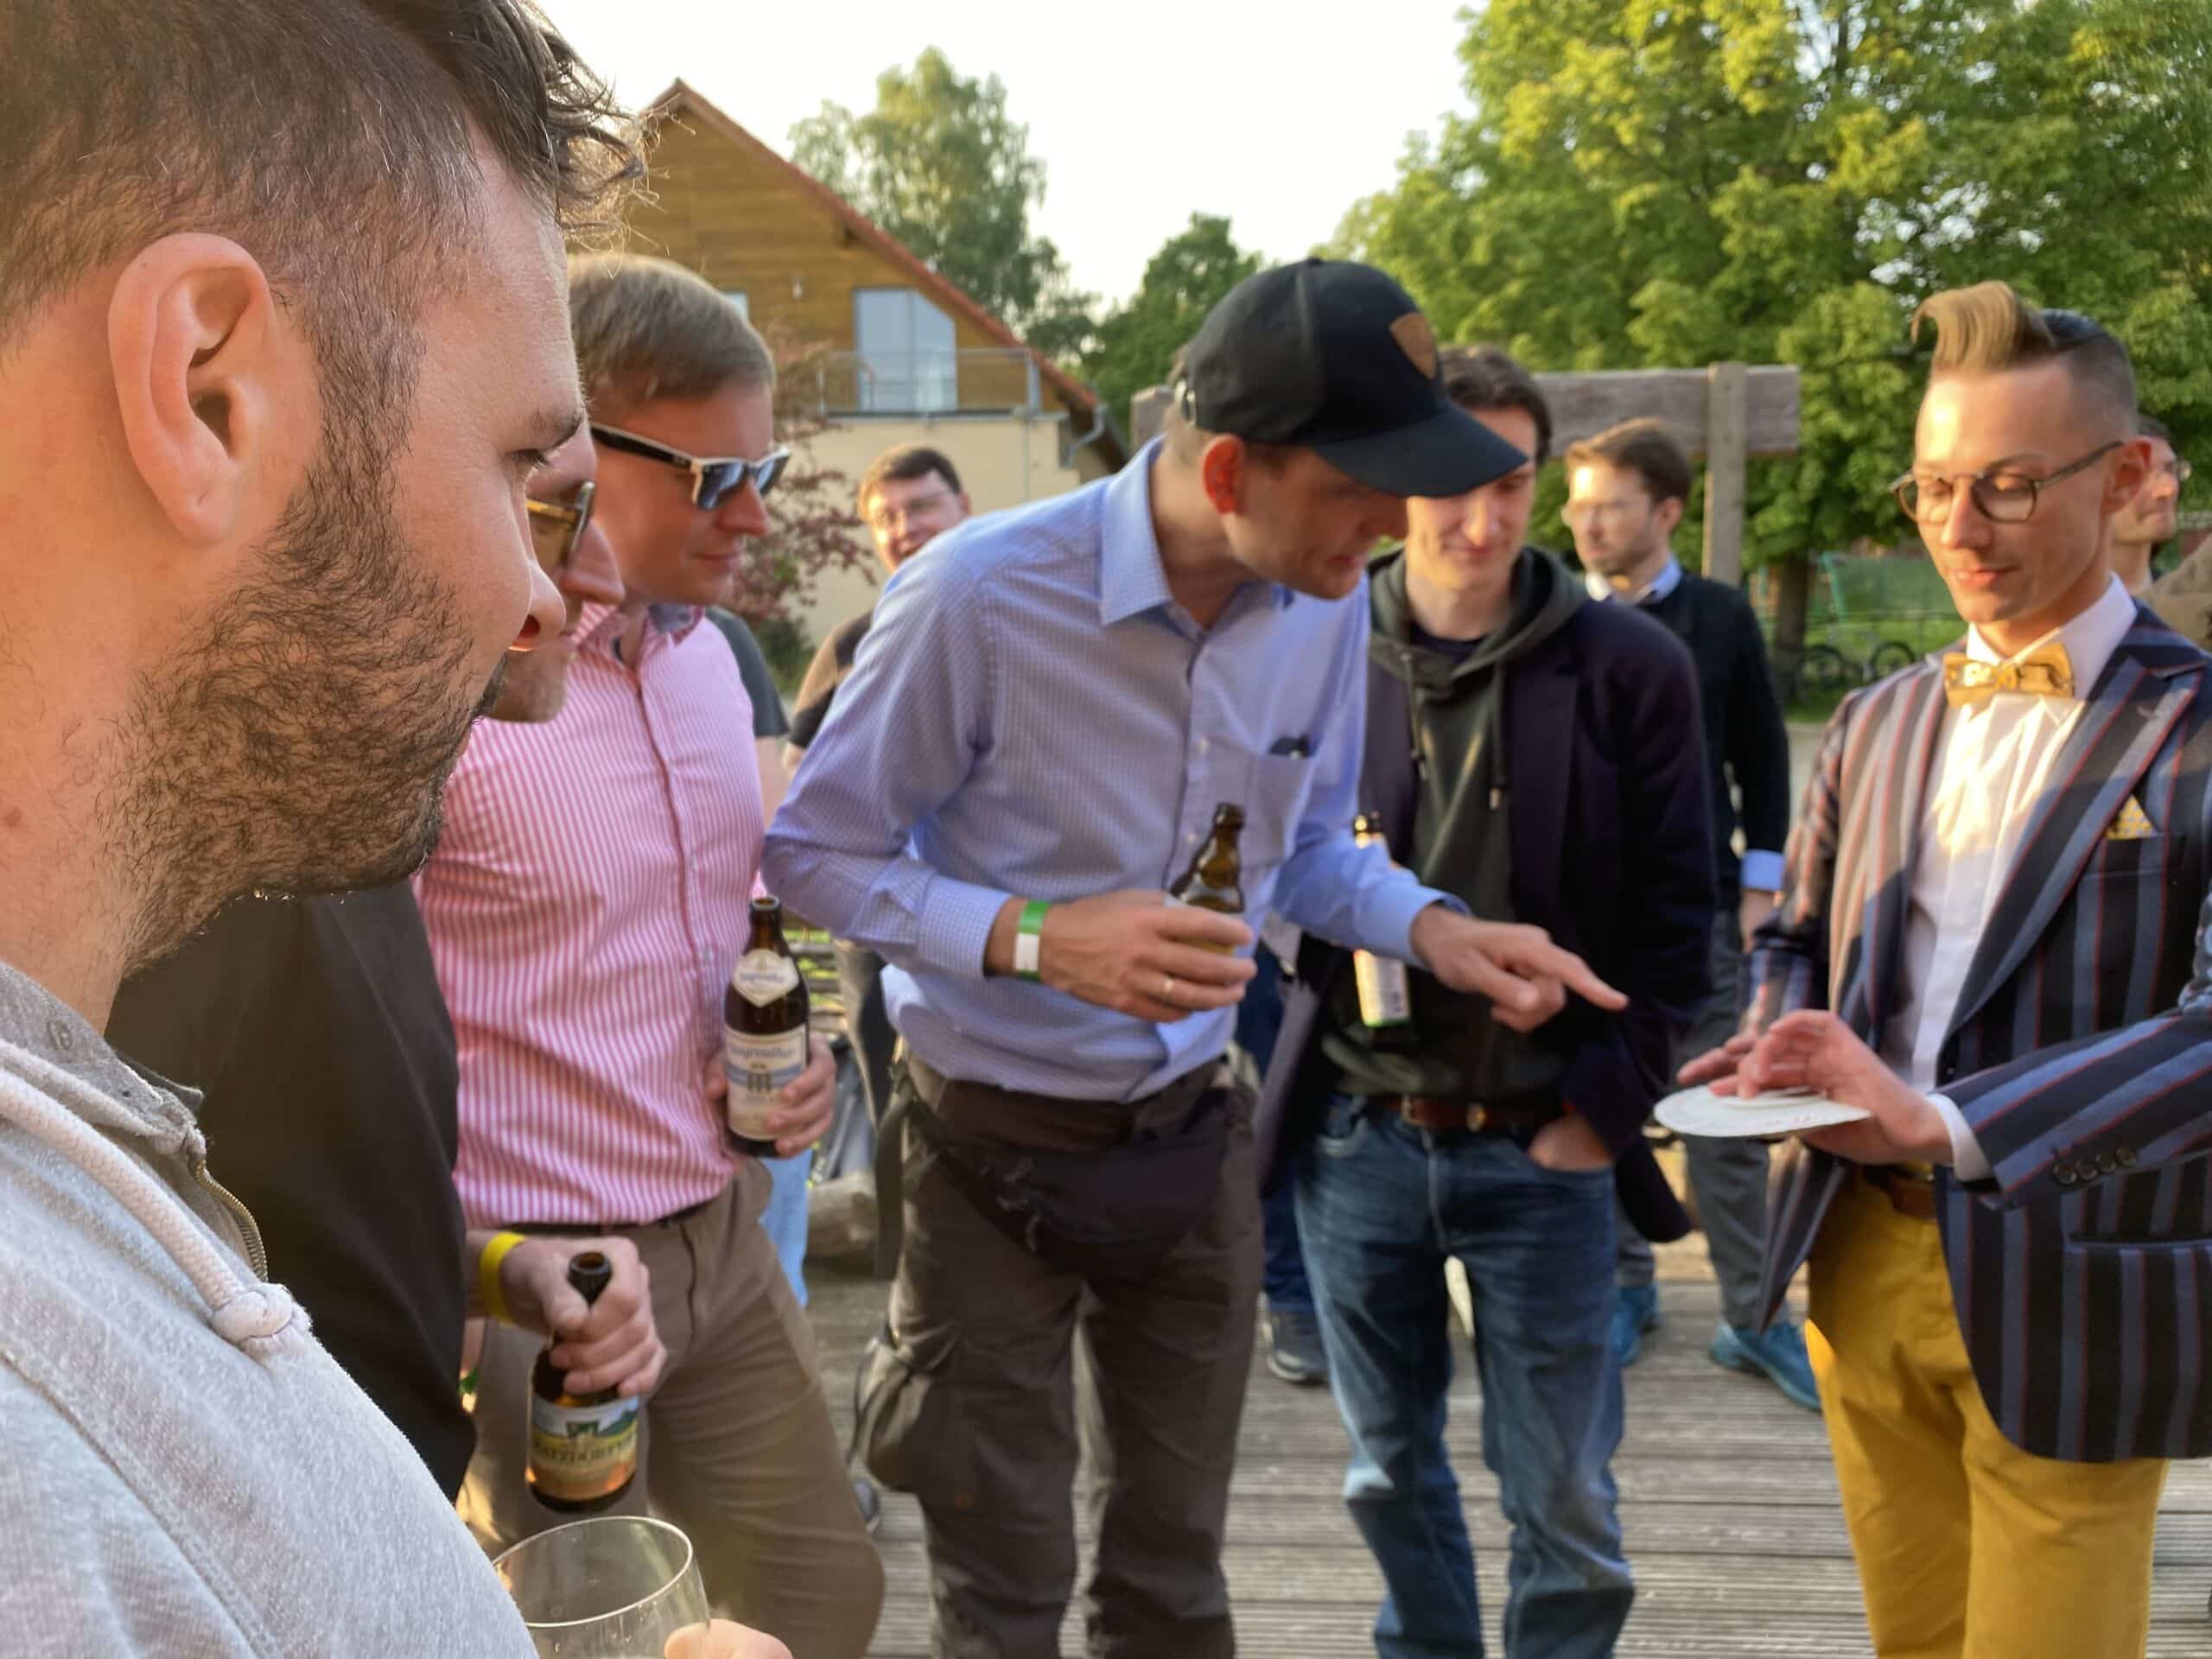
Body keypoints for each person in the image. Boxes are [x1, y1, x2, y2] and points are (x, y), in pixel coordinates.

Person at [765, 257, 1628, 1659]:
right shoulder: (974, 599)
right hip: (983, 1154)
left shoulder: (1331, 597)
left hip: (1192, 1140)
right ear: (1231, 467)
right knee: (1003, 1579)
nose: (1400, 529)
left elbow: (1304, 857)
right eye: (1364, 492)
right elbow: (808, 856)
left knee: (1175, 1582)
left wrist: (1441, 929)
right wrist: (1038, 939)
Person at [1686, 282, 2211, 1658]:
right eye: (1933, 489)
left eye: (2011, 487)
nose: (1958, 531)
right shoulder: (1874, 721)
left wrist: (1951, 1122)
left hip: (2078, 1281)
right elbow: (1797, 938)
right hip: (1854, 1262)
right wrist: (1779, 1046)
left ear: (2134, 477)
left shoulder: (2199, 729)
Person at [419, 251, 883, 1656]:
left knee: (818, 1600)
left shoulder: (709, 662)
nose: (753, 514)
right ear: (567, 437)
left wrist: (791, 1062)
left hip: (726, 1235)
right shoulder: (461, 682)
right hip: (547, 1282)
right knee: (593, 1632)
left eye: (769, 467)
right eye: (712, 476)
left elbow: (716, 929)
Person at [106, 428, 665, 1502]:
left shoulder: (354, 834)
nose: (589, 582)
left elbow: (303, 1217)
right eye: (541, 501)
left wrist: (505, 1269)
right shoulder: (200, 871)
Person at [1259, 346, 1712, 1658]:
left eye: (1512, 478)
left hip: (1544, 1144)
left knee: (1565, 1494)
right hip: (1357, 1140)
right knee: (1386, 1474)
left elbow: (1683, 930)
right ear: (1396, 486)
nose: (1482, 514)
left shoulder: (1630, 667)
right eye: (1451, 480)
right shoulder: (1307, 646)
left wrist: (1597, 1116)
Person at [1567, 418, 1814, 1404]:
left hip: (1697, 910)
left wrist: (1760, 891)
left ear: (1666, 511)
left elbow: (1760, 756)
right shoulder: (1549, 617)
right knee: (1605, 1101)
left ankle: (1752, 1318)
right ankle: (1626, 1290)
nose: (1586, 523)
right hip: (1578, 923)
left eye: (1608, 505)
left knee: (1721, 1115)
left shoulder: (1717, 616)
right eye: (1576, 505)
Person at [787, 443, 974, 1146]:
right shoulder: (850, 645)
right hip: (875, 932)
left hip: (991, 925)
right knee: (889, 1115)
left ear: (966, 508)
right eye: (886, 517)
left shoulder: (1029, 630)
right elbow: (796, 785)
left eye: (922, 505)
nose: (905, 527)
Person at [2111, 414, 2184, 597]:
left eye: (2170, 469)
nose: (2168, 489)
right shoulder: (2045, 615)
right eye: (2140, 474)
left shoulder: (2192, 612)